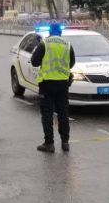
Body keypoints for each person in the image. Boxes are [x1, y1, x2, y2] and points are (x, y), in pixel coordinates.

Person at [30, 22, 75, 153]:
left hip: (47, 84)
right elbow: (72, 63)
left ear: (50, 32)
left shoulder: (44, 43)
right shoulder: (68, 44)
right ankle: (65, 142)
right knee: (63, 113)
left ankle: (49, 144)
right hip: (63, 83)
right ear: (60, 33)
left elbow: (34, 62)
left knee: (47, 114)